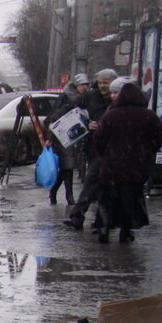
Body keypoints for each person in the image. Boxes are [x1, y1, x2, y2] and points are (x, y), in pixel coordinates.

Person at [91, 81, 162, 244]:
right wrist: (147, 152)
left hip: (111, 167)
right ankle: (126, 230)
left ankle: (104, 228)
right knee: (130, 199)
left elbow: (98, 140)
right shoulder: (148, 116)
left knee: (108, 199)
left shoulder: (110, 115)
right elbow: (158, 139)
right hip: (136, 167)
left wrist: (105, 156)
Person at [65, 68, 116, 229]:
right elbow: (73, 107)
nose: (102, 86)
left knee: (99, 183)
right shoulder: (91, 97)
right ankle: (91, 220)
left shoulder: (118, 99)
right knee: (95, 182)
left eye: (105, 83)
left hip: (113, 149)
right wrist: (85, 122)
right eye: (100, 82)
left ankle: (89, 219)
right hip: (95, 146)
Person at [45, 73, 89, 206]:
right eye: (82, 85)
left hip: (78, 135)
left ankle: (54, 192)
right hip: (64, 135)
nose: (84, 87)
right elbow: (53, 118)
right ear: (76, 85)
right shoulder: (66, 98)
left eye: (86, 85)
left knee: (66, 168)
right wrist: (50, 138)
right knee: (67, 166)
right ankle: (69, 196)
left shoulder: (85, 98)